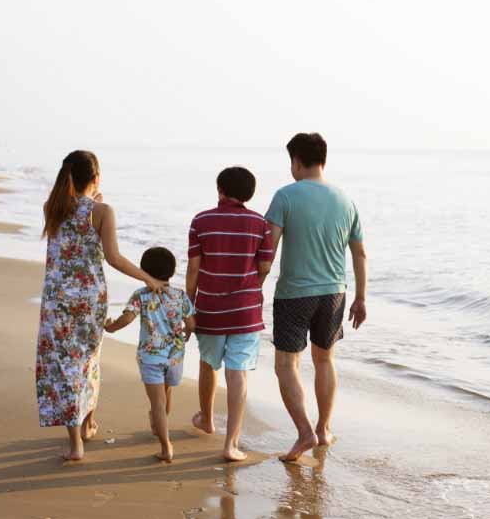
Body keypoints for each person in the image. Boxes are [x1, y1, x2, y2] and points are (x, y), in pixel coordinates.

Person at [34, 150, 164, 462]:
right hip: (89, 300)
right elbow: (114, 258)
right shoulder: (103, 210)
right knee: (88, 362)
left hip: (56, 300)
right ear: (95, 177)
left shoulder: (51, 207)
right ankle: (89, 421)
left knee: (65, 367)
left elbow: (71, 226)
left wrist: (93, 200)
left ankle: (77, 441)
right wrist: (149, 278)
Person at [264, 133, 367, 462]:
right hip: (335, 293)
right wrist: (361, 298)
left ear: (296, 161)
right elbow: (360, 253)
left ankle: (304, 432)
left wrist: (255, 284)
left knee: (286, 364)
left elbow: (268, 251)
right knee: (325, 360)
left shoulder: (285, 196)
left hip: (295, 293)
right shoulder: (345, 199)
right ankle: (323, 429)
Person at [186, 167, 274, 462]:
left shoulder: (201, 221)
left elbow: (194, 269)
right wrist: (250, 290)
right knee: (238, 373)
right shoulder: (260, 224)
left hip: (210, 308)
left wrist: (189, 307)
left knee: (208, 362)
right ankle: (231, 444)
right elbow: (264, 267)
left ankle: (207, 418)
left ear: (220, 190)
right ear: (249, 193)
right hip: (246, 312)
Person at [104, 247, 195, 463]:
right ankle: (158, 427)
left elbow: (126, 319)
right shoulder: (180, 296)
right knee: (166, 392)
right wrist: (187, 333)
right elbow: (191, 323)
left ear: (144, 271)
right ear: (172, 272)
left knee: (157, 403)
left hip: (150, 358)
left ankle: (166, 446)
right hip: (175, 357)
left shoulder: (141, 296)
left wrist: (110, 328)